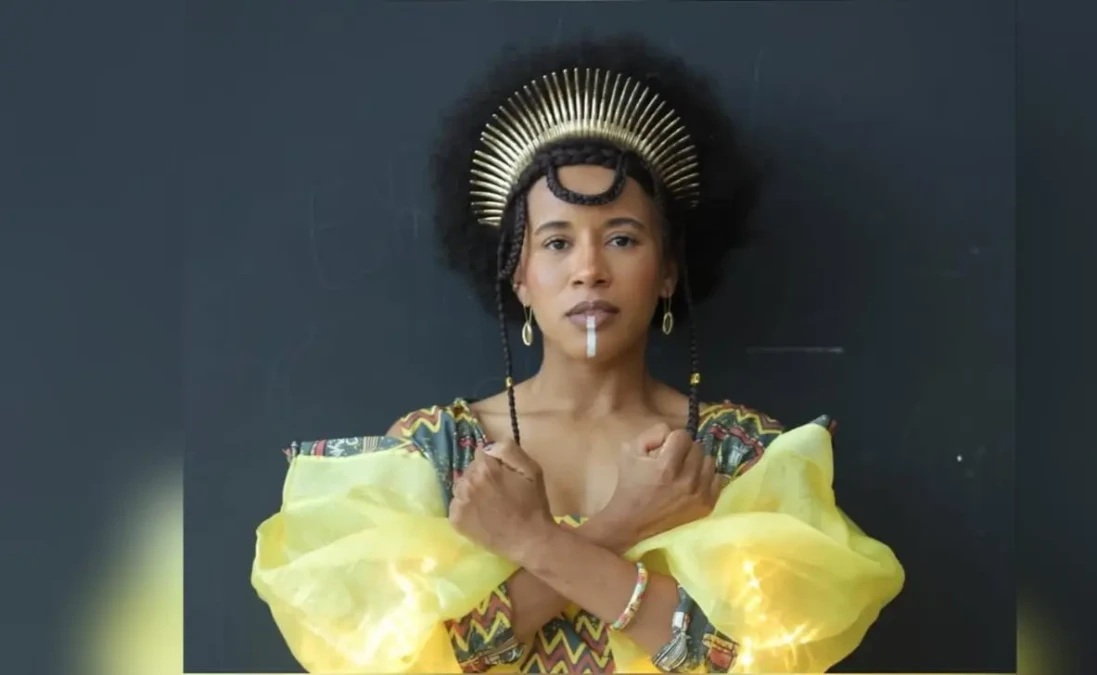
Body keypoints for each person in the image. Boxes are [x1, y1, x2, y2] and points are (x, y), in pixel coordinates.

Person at [251, 37, 904, 674]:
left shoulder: (739, 455)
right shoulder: (434, 454)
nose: (589, 270)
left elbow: (743, 658)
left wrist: (531, 539)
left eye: (622, 239)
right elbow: (411, 657)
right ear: (519, 277)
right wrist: (627, 520)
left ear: (668, 271)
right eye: (557, 243)